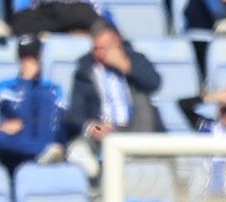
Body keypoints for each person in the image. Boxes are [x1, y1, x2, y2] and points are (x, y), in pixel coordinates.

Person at [65, 20, 164, 180]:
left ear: (117, 42)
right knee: (78, 148)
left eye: (105, 48)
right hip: (103, 130)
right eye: (97, 49)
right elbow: (74, 114)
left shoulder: (136, 60)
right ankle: (95, 178)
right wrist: (95, 127)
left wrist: (127, 68)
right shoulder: (85, 70)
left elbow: (154, 83)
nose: (101, 54)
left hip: (137, 129)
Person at [0, 36, 67, 170]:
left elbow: (59, 123)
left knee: (48, 107)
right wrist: (25, 83)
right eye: (25, 59)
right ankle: (43, 152)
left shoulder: (53, 89)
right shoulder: (5, 87)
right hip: (17, 150)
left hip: (45, 138)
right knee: (1, 138)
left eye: (33, 59)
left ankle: (46, 153)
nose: (29, 64)